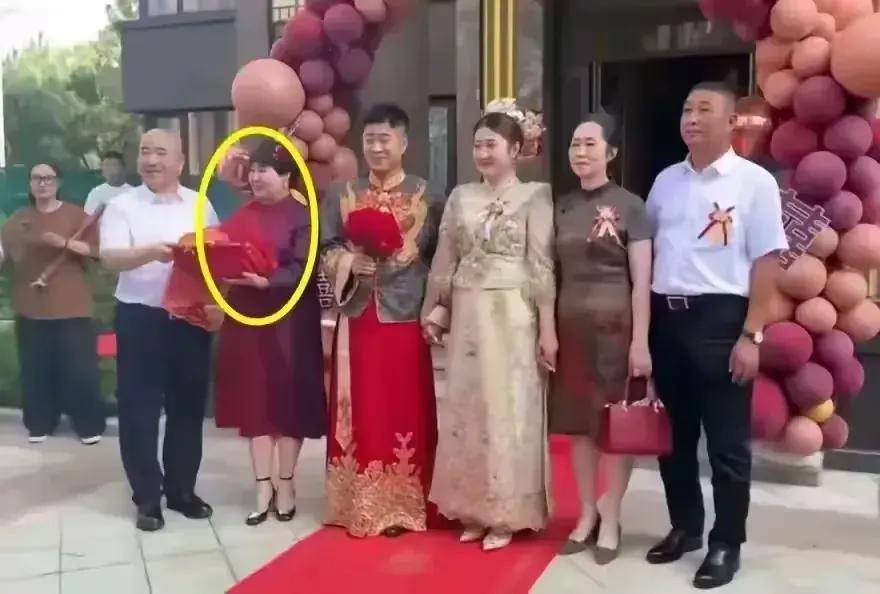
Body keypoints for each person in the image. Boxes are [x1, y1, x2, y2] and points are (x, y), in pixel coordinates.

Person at [645, 82, 787, 589]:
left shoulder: (754, 183)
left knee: (726, 445)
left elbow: (768, 261)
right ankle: (686, 527)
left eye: (705, 109)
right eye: (687, 109)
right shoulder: (666, 181)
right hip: (667, 319)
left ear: (731, 123)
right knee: (673, 439)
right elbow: (647, 250)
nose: (692, 118)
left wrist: (752, 334)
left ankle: (727, 542)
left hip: (723, 321)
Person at [422, 112, 557, 551]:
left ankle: (506, 513)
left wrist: (547, 329)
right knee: (467, 408)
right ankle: (472, 509)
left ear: (515, 150)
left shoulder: (535, 196)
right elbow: (446, 258)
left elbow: (541, 266)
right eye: (477, 145)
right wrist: (436, 308)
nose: (482, 153)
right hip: (468, 313)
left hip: (513, 314)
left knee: (507, 409)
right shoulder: (461, 196)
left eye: (491, 145)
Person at [320, 103, 445, 538]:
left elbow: (439, 259)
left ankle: (403, 503)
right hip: (358, 315)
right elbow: (325, 248)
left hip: (406, 316)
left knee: (404, 404)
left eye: (384, 139)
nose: (376, 147)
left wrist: (438, 309)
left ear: (403, 143)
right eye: (369, 139)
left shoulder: (429, 196)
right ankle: (356, 500)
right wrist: (349, 262)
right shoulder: (343, 193)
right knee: (360, 406)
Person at [100, 129, 219, 532]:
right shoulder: (122, 205)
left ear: (180, 162)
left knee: (188, 406)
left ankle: (182, 491)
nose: (151, 160)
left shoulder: (200, 204)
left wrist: (216, 304)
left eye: (160, 153)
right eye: (145, 152)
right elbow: (109, 258)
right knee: (140, 409)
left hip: (189, 318)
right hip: (141, 317)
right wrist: (151, 252)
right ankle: (147, 497)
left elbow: (215, 258)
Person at [550, 114, 653, 564]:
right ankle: (587, 510)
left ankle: (612, 515)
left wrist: (640, 342)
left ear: (610, 152)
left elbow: (642, 280)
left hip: (616, 329)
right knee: (579, 427)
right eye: (575, 144)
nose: (580, 152)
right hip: (570, 329)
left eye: (590, 144)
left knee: (614, 426)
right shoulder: (561, 206)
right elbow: (550, 273)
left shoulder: (632, 206)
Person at [213, 139, 326, 526]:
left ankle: (287, 483)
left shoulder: (303, 216)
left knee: (288, 397)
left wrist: (269, 280)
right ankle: (263, 485)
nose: (256, 177)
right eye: (254, 170)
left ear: (286, 176)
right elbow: (220, 250)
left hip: (291, 317)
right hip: (247, 315)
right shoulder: (242, 214)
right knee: (255, 397)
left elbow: (304, 266)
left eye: (265, 170)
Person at [1, 163, 106, 445]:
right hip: (31, 307)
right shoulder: (19, 219)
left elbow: (97, 252)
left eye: (48, 178)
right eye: (37, 178)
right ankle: (40, 423)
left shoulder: (76, 216)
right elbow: (5, 252)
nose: (42, 183)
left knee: (79, 370)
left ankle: (87, 424)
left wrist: (62, 242)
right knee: (36, 370)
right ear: (30, 184)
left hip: (71, 306)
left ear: (58, 182)